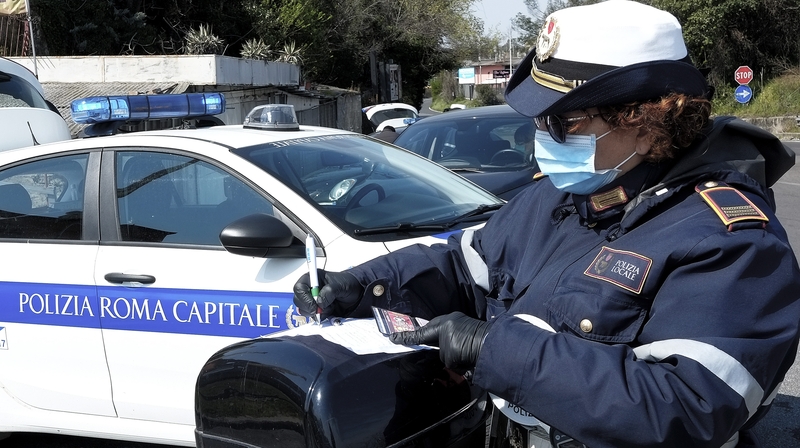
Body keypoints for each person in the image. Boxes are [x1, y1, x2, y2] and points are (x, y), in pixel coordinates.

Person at [293, 1, 800, 447]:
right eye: (539, 120)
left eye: (563, 122)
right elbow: (464, 265)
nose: (543, 135)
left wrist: (494, 349)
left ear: (646, 124)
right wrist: (365, 286)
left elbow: (687, 407)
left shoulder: (730, 241)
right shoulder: (558, 196)